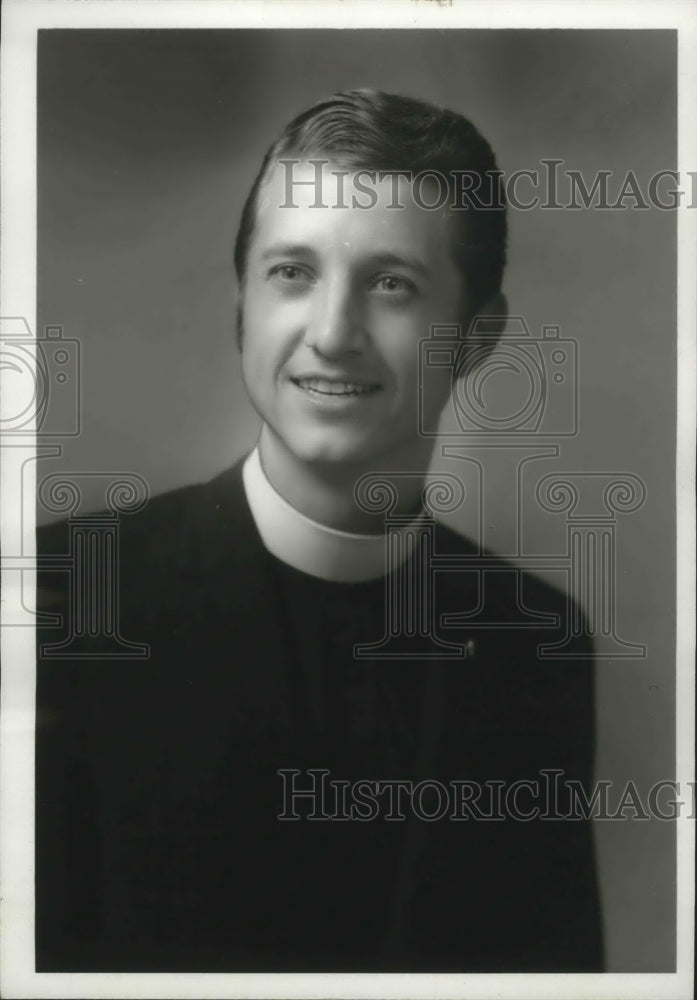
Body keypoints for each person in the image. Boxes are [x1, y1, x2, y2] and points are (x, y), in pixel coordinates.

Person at [35, 89, 604, 972]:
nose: (332, 335)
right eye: (292, 273)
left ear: (475, 338)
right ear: (241, 309)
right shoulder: (62, 598)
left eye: (391, 284)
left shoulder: (537, 644)